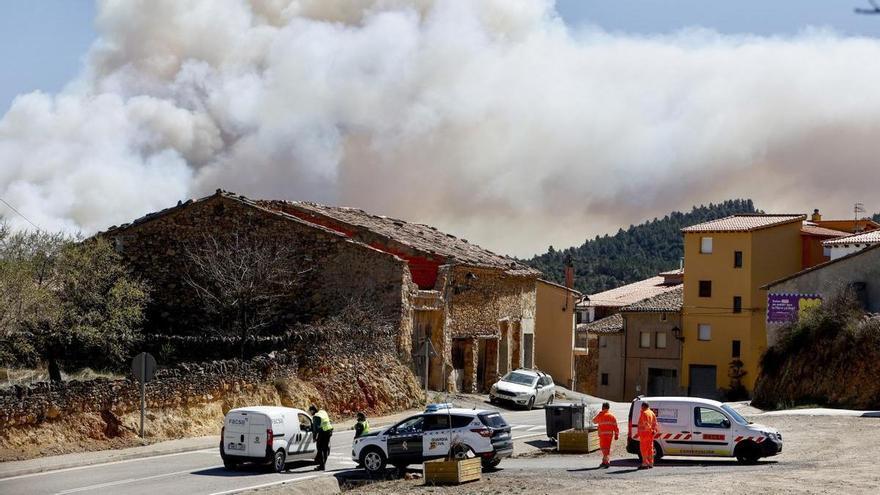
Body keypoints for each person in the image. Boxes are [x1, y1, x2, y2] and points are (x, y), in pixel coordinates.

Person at [592, 402, 619, 468]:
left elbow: (594, 421)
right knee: (607, 448)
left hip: (602, 435)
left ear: (603, 407)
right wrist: (616, 434)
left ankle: (606, 461)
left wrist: (599, 413)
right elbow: (615, 426)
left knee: (603, 448)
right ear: (608, 408)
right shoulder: (612, 416)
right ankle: (604, 461)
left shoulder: (601, 415)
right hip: (609, 435)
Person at [309, 404, 334, 471]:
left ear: (313, 410)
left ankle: (321, 466)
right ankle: (323, 465)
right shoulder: (323, 412)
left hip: (323, 432)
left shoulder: (316, 416)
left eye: (310, 411)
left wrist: (314, 438)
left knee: (319, 449)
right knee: (325, 449)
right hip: (329, 430)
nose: (310, 413)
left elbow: (315, 429)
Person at [637, 401, 658, 469]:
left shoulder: (644, 413)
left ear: (643, 406)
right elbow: (655, 424)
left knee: (644, 450)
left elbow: (646, 424)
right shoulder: (652, 413)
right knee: (650, 449)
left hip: (645, 434)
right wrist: (654, 431)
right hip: (650, 435)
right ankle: (650, 463)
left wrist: (650, 430)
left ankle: (645, 464)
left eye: (641, 407)